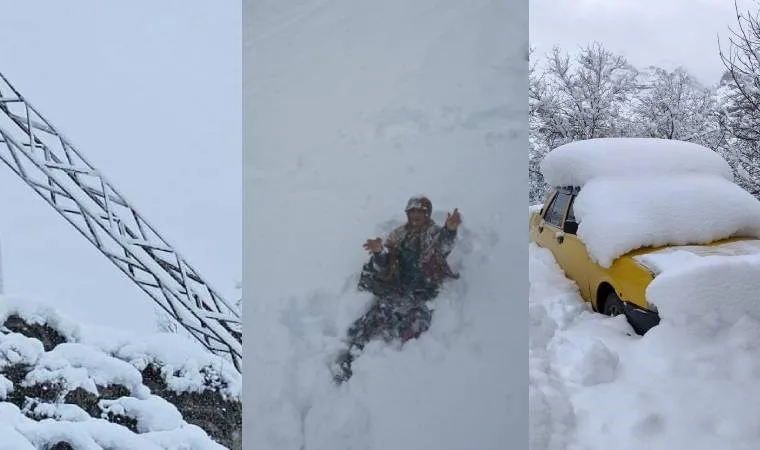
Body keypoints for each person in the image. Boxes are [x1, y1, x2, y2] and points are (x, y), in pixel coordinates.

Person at [332, 195, 462, 383]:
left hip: (422, 293)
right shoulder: (398, 235)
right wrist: (379, 253)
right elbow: (386, 266)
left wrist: (450, 230)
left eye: (420, 211)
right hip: (399, 290)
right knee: (374, 318)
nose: (416, 215)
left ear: (427, 214)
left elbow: (443, 245)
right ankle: (350, 359)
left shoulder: (432, 232)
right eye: (412, 211)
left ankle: (395, 371)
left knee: (415, 325)